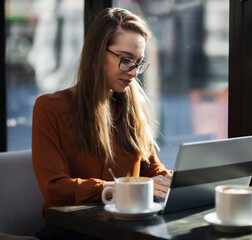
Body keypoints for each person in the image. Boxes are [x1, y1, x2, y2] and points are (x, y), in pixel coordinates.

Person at [32, 7, 173, 239]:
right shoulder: (51, 108)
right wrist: (118, 188)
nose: (134, 72)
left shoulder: (133, 109)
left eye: (138, 62)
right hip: (73, 229)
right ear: (97, 53)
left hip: (126, 225)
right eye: (126, 60)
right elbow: (54, 189)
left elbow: (151, 171)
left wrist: (179, 180)